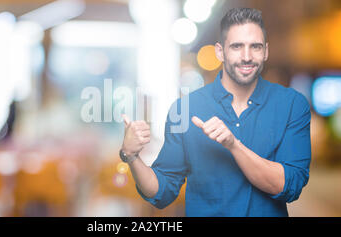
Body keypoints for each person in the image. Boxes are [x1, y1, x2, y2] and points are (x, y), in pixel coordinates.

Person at [119, 7, 311, 217]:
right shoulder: (185, 109)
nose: (246, 57)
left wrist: (233, 145)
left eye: (255, 47)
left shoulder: (292, 105)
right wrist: (131, 156)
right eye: (237, 47)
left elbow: (289, 186)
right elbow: (161, 191)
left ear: (265, 51)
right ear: (220, 51)